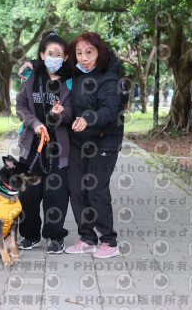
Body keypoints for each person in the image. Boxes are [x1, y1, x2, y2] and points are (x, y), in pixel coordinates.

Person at [64, 32, 125, 259]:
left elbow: (109, 110)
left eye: (89, 52)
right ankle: (87, 238)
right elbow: (51, 61)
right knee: (76, 187)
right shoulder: (75, 74)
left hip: (105, 141)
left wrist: (88, 119)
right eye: (79, 53)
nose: (84, 58)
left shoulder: (110, 79)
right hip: (79, 141)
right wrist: (32, 65)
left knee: (95, 188)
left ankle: (109, 241)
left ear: (100, 52)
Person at [15, 32, 73, 254]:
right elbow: (21, 106)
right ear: (42, 55)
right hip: (32, 146)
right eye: (50, 53)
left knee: (55, 195)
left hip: (59, 149)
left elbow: (72, 112)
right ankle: (30, 236)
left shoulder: (71, 81)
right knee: (28, 194)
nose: (54, 58)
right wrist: (35, 124)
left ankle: (55, 237)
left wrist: (61, 113)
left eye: (59, 55)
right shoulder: (31, 76)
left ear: (65, 58)